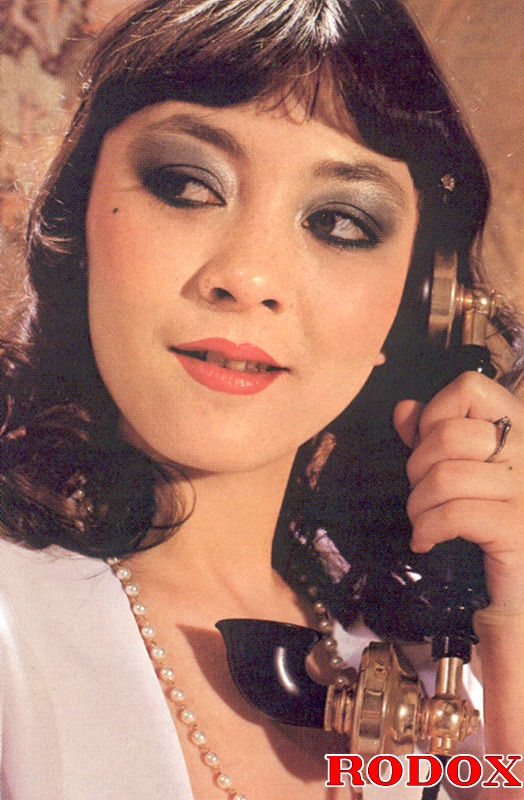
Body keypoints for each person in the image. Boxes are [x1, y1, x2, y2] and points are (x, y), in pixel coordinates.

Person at [0, 0, 523, 797]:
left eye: (340, 223)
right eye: (187, 185)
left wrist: (512, 633)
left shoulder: (457, 686)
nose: (247, 277)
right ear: (81, 222)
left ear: (421, 305)